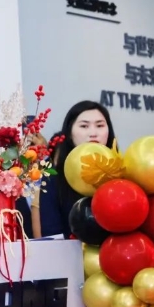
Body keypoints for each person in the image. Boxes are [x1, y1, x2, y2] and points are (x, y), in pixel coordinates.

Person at [32, 101, 115, 238]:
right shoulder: (53, 177)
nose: (93, 133)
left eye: (100, 125)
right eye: (84, 126)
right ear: (69, 133)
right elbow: (52, 233)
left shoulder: (122, 174)